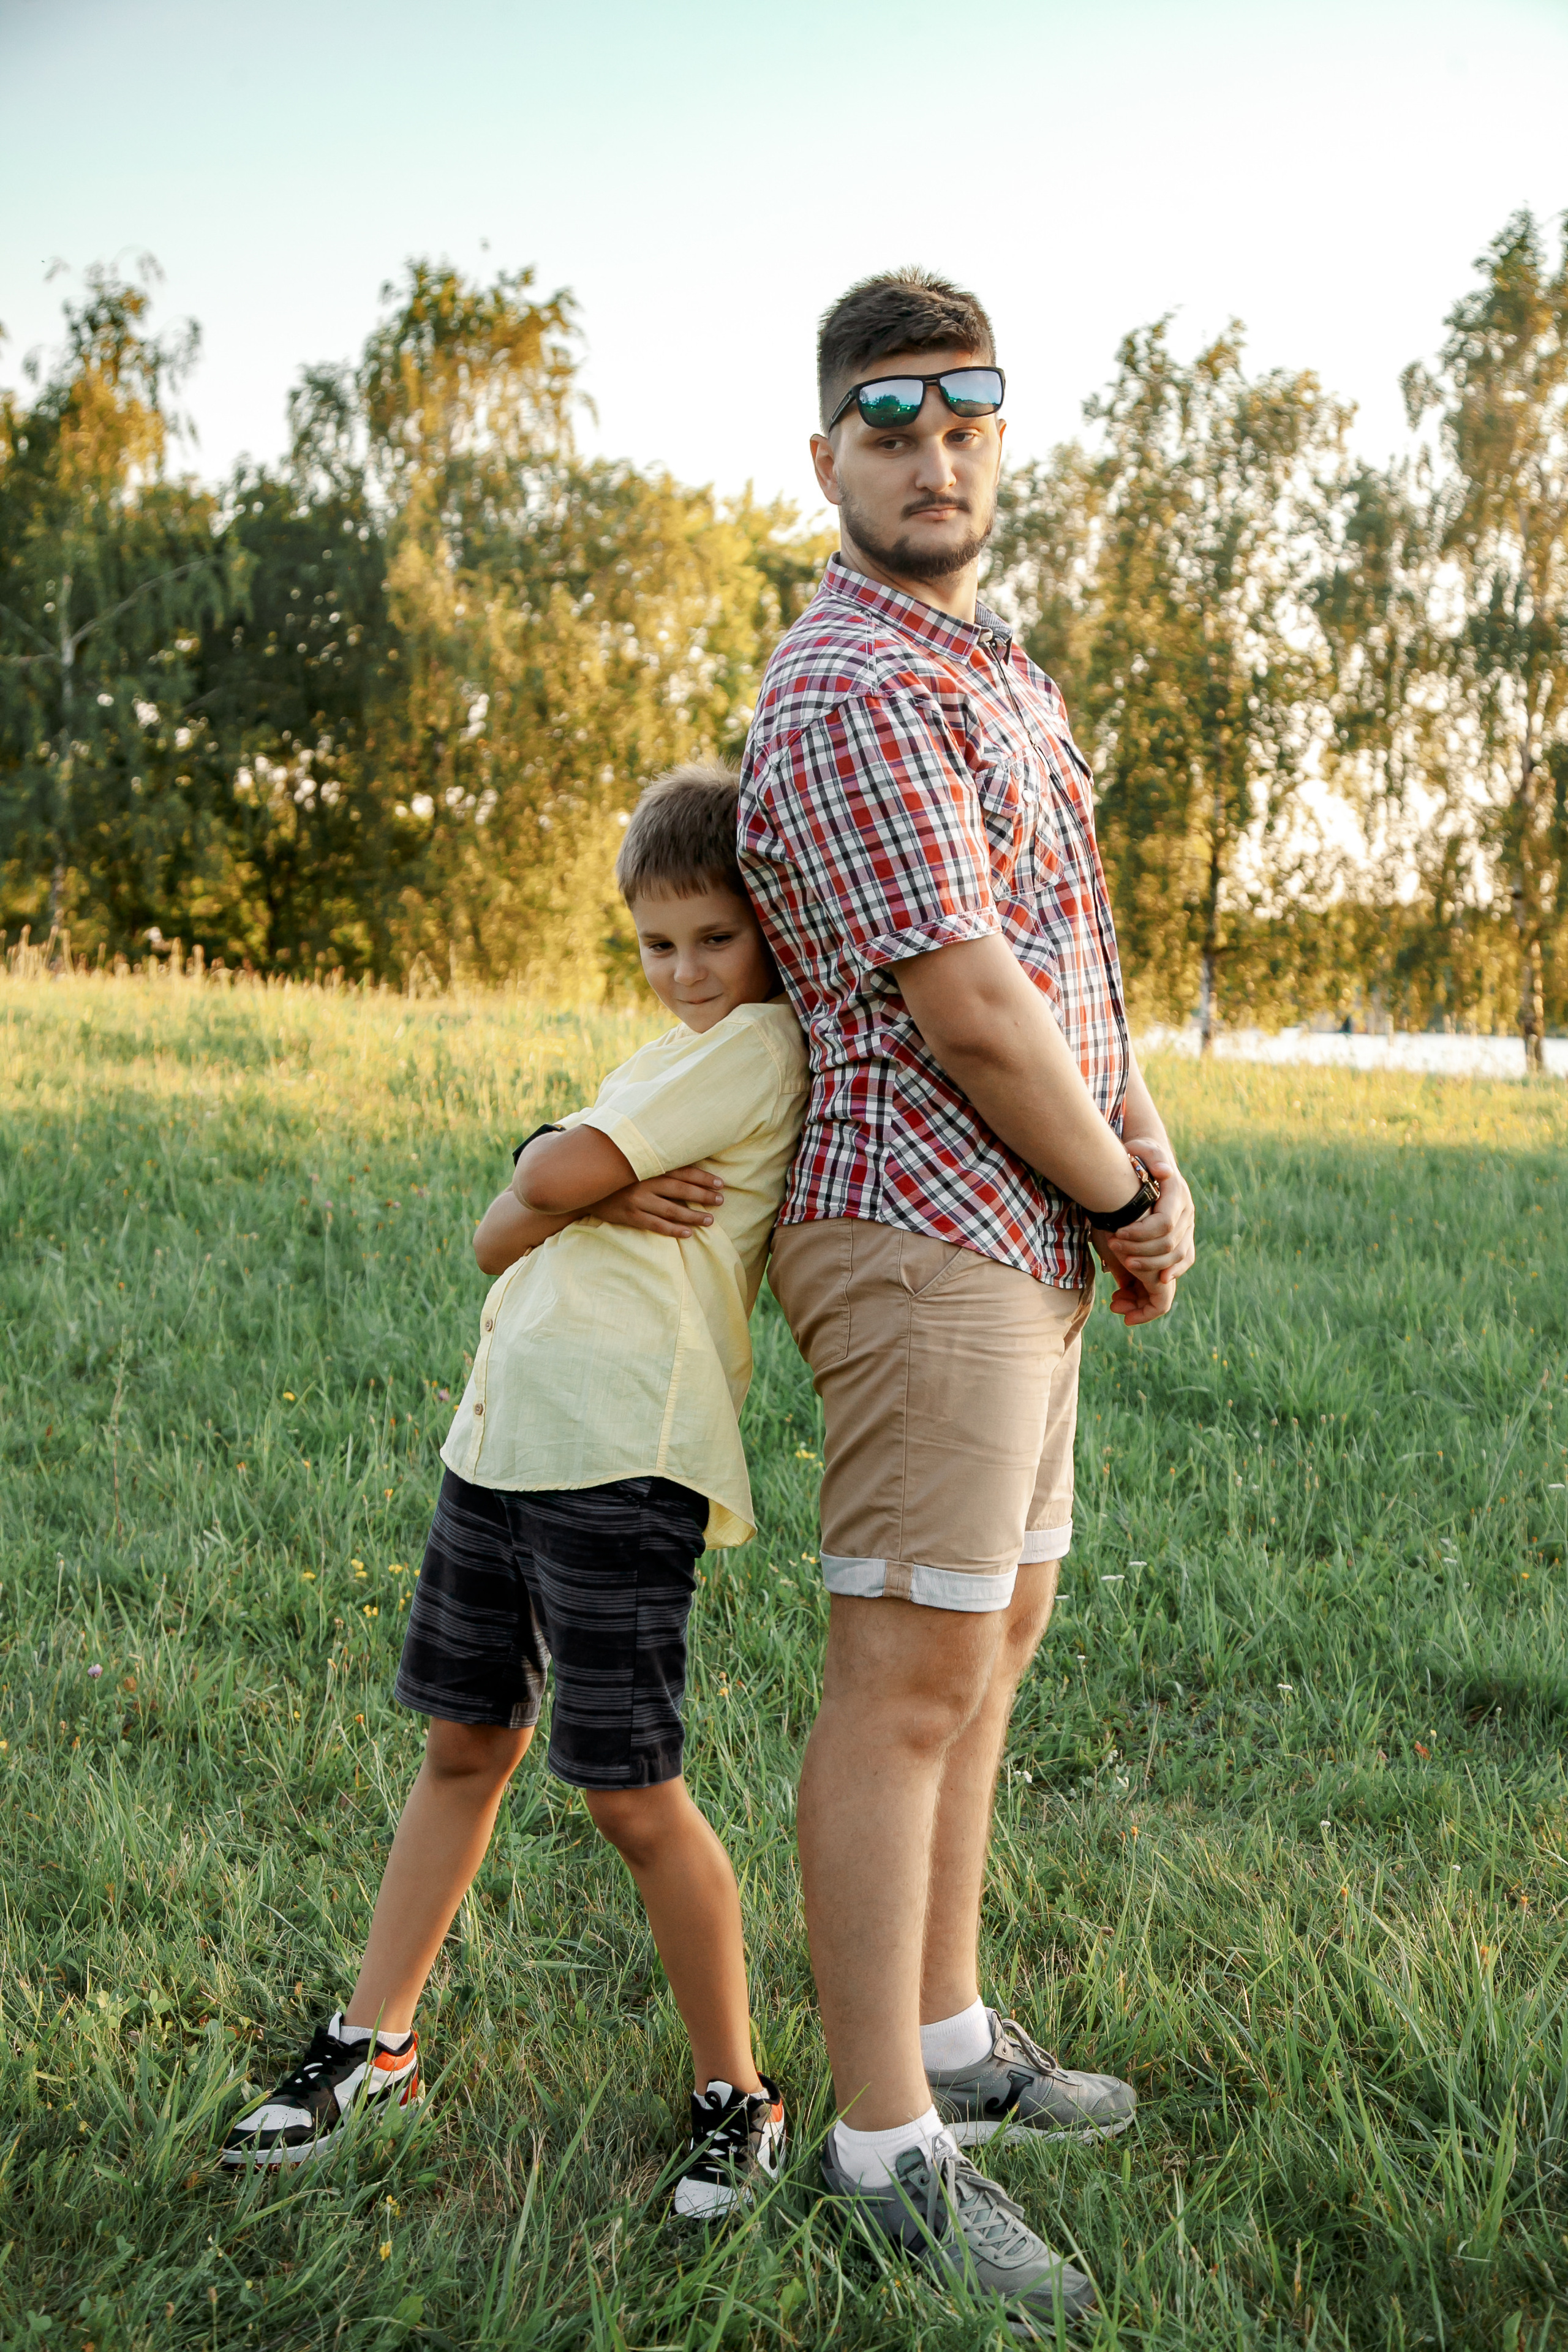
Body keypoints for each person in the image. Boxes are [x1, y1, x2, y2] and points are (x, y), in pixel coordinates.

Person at [737, 270, 1197, 2326]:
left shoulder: (989, 667)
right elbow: (973, 1006)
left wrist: (1142, 1165)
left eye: (966, 419)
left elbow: (1072, 963)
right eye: (890, 422)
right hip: (927, 1231)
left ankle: (945, 2040)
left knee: (991, 1646)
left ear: (995, 440)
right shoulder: (848, 687)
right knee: (903, 1681)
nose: (934, 456)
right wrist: (1119, 1199)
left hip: (1027, 1225)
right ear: (825, 454)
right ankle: (878, 2151)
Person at [222, 766, 808, 2218]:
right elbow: (501, 1228)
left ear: (770, 937)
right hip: (499, 1446)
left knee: (628, 1791)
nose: (684, 971)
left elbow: (548, 1167)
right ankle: (375, 2043)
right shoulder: (654, 1063)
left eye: (712, 938)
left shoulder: (752, 1047)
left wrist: (566, 1173)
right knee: (463, 1745)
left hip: (620, 1452)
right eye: (656, 944)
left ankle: (737, 2091)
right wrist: (575, 1182)